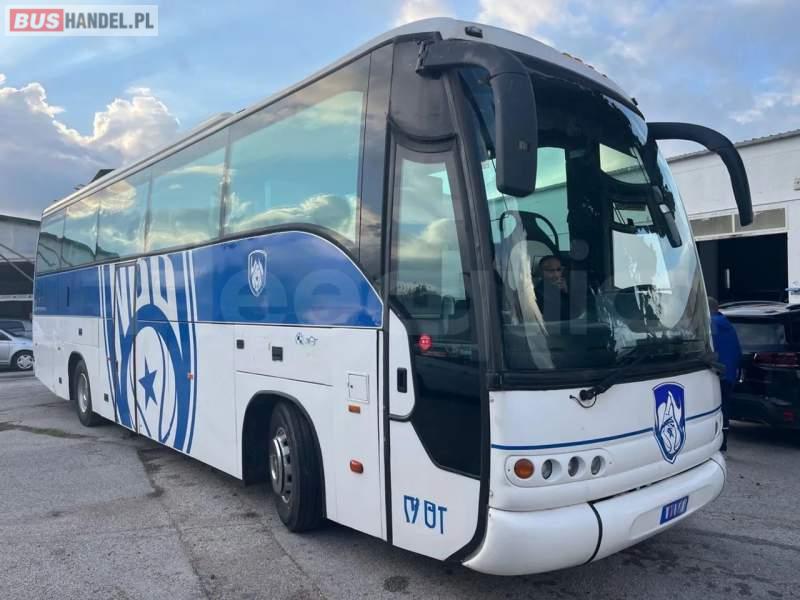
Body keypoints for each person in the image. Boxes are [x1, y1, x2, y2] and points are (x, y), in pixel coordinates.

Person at [708, 297, 741, 452]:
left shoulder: (711, 324)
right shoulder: (727, 324)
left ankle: (717, 443)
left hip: (717, 374)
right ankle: (723, 443)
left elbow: (707, 349)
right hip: (729, 374)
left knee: (714, 410)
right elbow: (737, 351)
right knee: (725, 409)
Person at [534, 255, 572, 321]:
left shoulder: (565, 287)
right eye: (550, 271)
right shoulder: (537, 293)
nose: (556, 275)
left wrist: (567, 293)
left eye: (559, 269)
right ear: (541, 272)